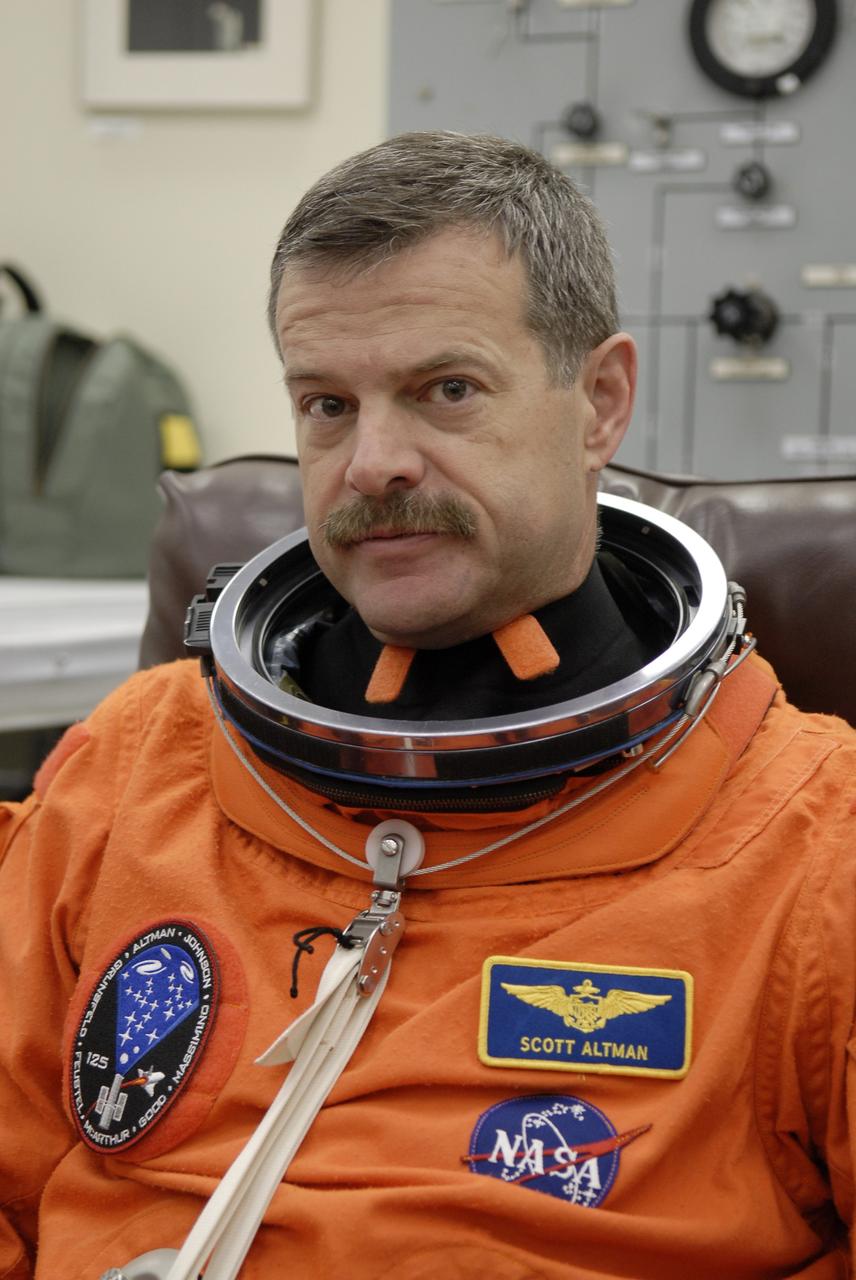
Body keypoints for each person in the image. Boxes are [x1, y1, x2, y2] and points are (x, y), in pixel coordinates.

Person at [1, 131, 855, 1280]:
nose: (373, 462)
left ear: (600, 402)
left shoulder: (811, 848)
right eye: (327, 403)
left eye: (446, 390)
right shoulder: (137, 765)